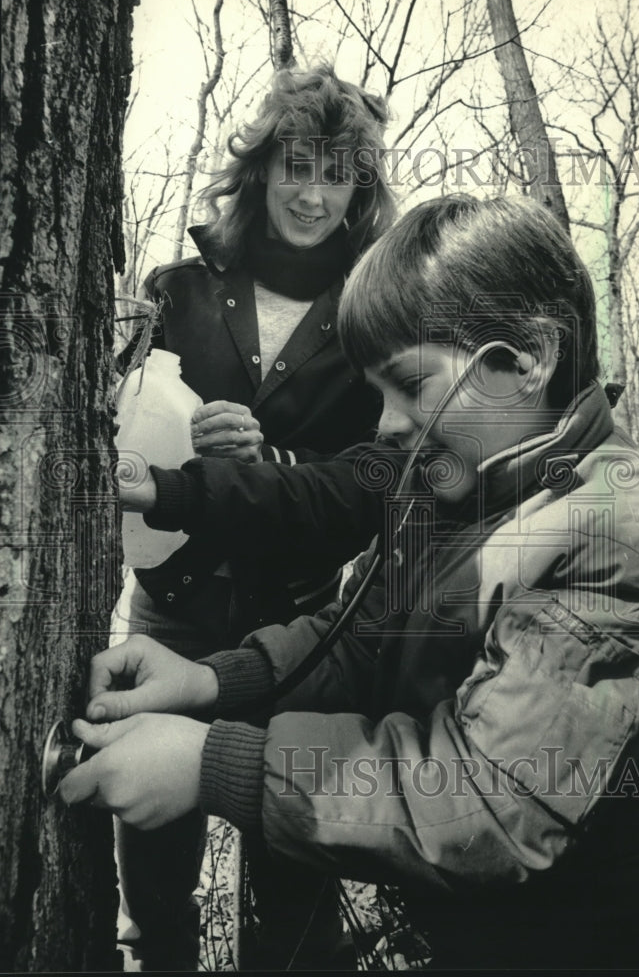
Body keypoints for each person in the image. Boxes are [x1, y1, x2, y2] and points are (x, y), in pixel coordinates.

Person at [67, 195, 639, 969]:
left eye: (409, 385)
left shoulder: (616, 532)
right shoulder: (448, 478)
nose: (387, 426)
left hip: (600, 947)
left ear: (526, 360)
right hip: (468, 936)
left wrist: (211, 767)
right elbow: (358, 640)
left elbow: (484, 806)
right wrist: (206, 683)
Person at [112, 63, 395, 970]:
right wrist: (174, 426)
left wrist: (268, 466)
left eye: (336, 172)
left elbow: (364, 492)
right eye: (296, 166)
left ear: (360, 187)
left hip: (299, 622)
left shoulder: (369, 315)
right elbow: (120, 423)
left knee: (295, 871)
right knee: (155, 865)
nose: (312, 195)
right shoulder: (178, 289)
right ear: (262, 166)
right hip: (173, 607)